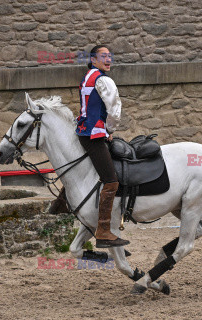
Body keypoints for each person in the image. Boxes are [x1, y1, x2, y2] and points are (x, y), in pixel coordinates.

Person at [74, 45, 129, 248]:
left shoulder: (88, 76)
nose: (108, 60)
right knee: (111, 181)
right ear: (93, 60)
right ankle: (104, 230)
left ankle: (60, 203)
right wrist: (110, 130)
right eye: (103, 57)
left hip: (83, 132)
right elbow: (114, 108)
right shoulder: (104, 80)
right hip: (95, 135)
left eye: (109, 56)